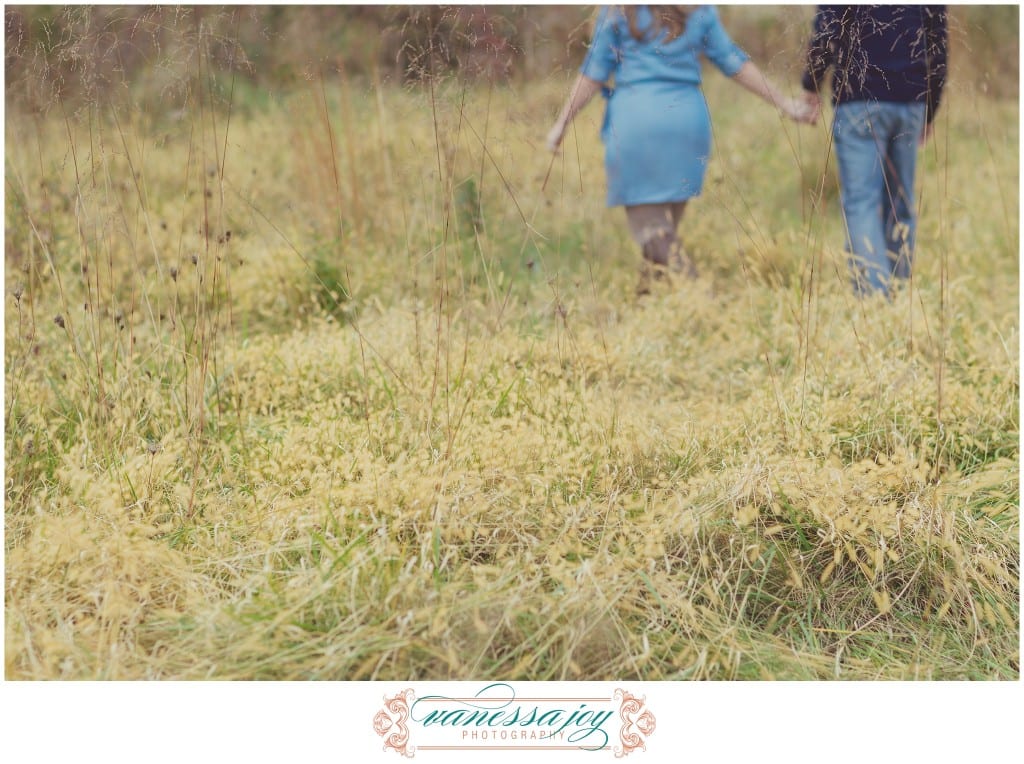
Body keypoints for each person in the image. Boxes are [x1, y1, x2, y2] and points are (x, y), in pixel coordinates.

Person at [546, 5, 813, 294]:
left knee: (655, 234)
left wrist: (561, 123)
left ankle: (705, 303)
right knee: (662, 234)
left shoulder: (619, 10)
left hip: (638, 124)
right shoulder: (699, 9)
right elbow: (733, 61)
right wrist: (786, 104)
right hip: (686, 126)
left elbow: (593, 71)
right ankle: (647, 305)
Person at [800, 5, 948, 297]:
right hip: (911, 101)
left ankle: (874, 300)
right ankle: (899, 292)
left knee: (861, 202)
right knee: (900, 203)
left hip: (857, 98)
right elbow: (938, 45)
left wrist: (812, 83)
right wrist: (930, 110)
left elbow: (828, 30)